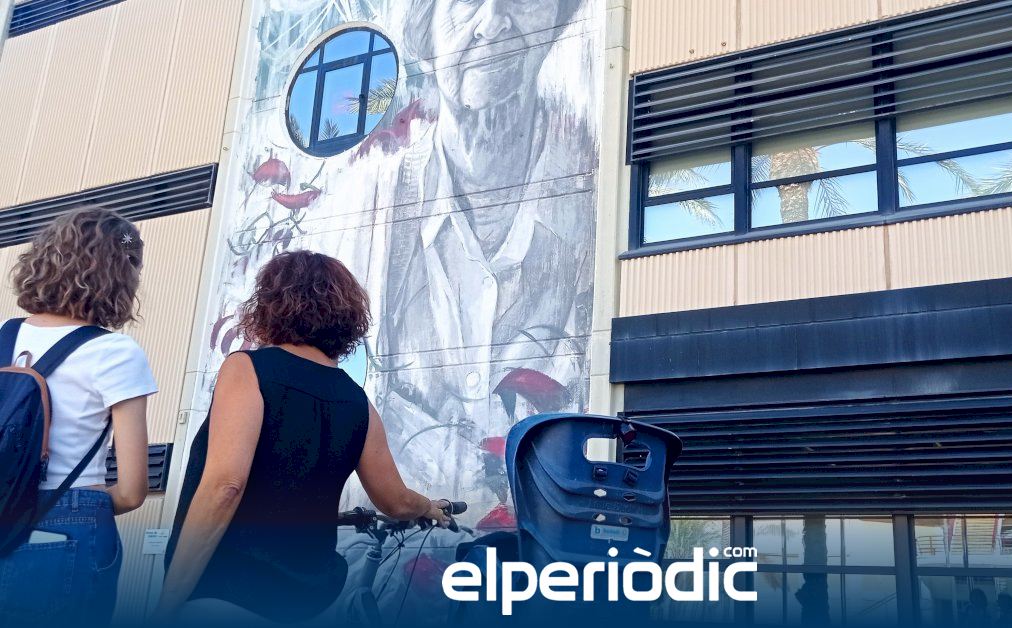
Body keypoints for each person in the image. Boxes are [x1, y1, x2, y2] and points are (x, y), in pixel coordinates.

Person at [370, 0, 595, 521]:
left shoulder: (592, 190)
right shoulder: (371, 207)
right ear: (424, 32)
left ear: (558, 21)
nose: (493, 23)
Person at [155, 250, 451, 624]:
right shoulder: (358, 402)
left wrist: (168, 601)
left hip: (229, 594)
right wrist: (427, 506)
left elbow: (225, 486)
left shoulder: (247, 369)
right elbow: (396, 501)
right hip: (310, 604)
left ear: (270, 304)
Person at [0, 206, 157, 625]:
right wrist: (82, 505)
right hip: (67, 519)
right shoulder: (114, 352)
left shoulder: (3, 335)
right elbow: (132, 491)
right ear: (120, 276)